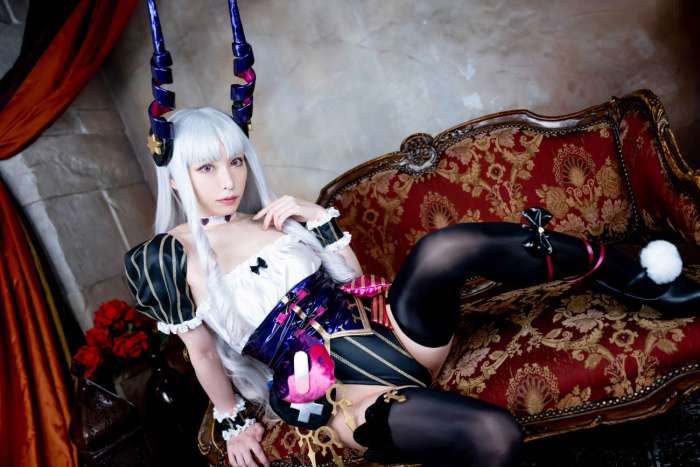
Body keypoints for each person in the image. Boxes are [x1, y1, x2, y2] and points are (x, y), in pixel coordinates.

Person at [123, 107, 700, 467]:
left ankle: (627, 273)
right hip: (345, 395)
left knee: (444, 248)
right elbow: (202, 353)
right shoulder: (165, 259)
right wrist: (232, 421)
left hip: (393, 333)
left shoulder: (269, 218)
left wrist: (316, 219)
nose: (229, 180)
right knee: (494, 436)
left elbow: (351, 279)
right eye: (207, 168)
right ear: (176, 176)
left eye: (236, 162)